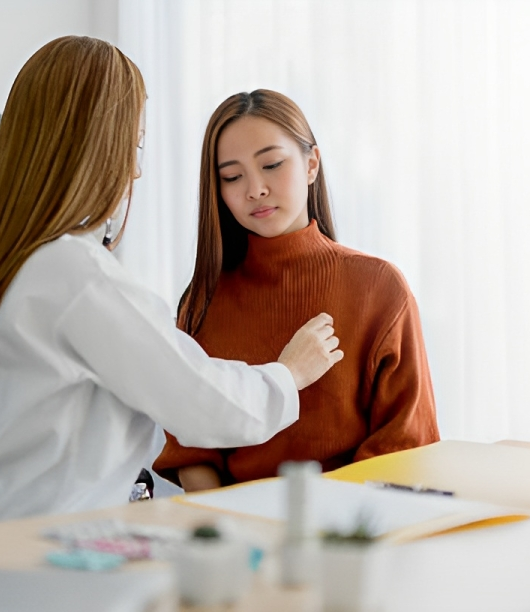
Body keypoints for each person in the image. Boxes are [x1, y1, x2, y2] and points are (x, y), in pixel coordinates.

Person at [0, 38, 344, 525]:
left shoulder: (4, 265)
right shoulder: (74, 277)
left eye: (272, 165)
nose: (135, 168)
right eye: (134, 143)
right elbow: (202, 402)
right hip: (49, 561)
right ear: (98, 148)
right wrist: (289, 374)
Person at [153, 90, 440, 492]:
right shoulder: (202, 301)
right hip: (237, 537)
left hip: (350, 533)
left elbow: (405, 448)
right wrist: (234, 534)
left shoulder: (379, 288)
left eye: (271, 164)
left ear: (311, 164)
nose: (255, 189)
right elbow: (192, 451)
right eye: (232, 176)